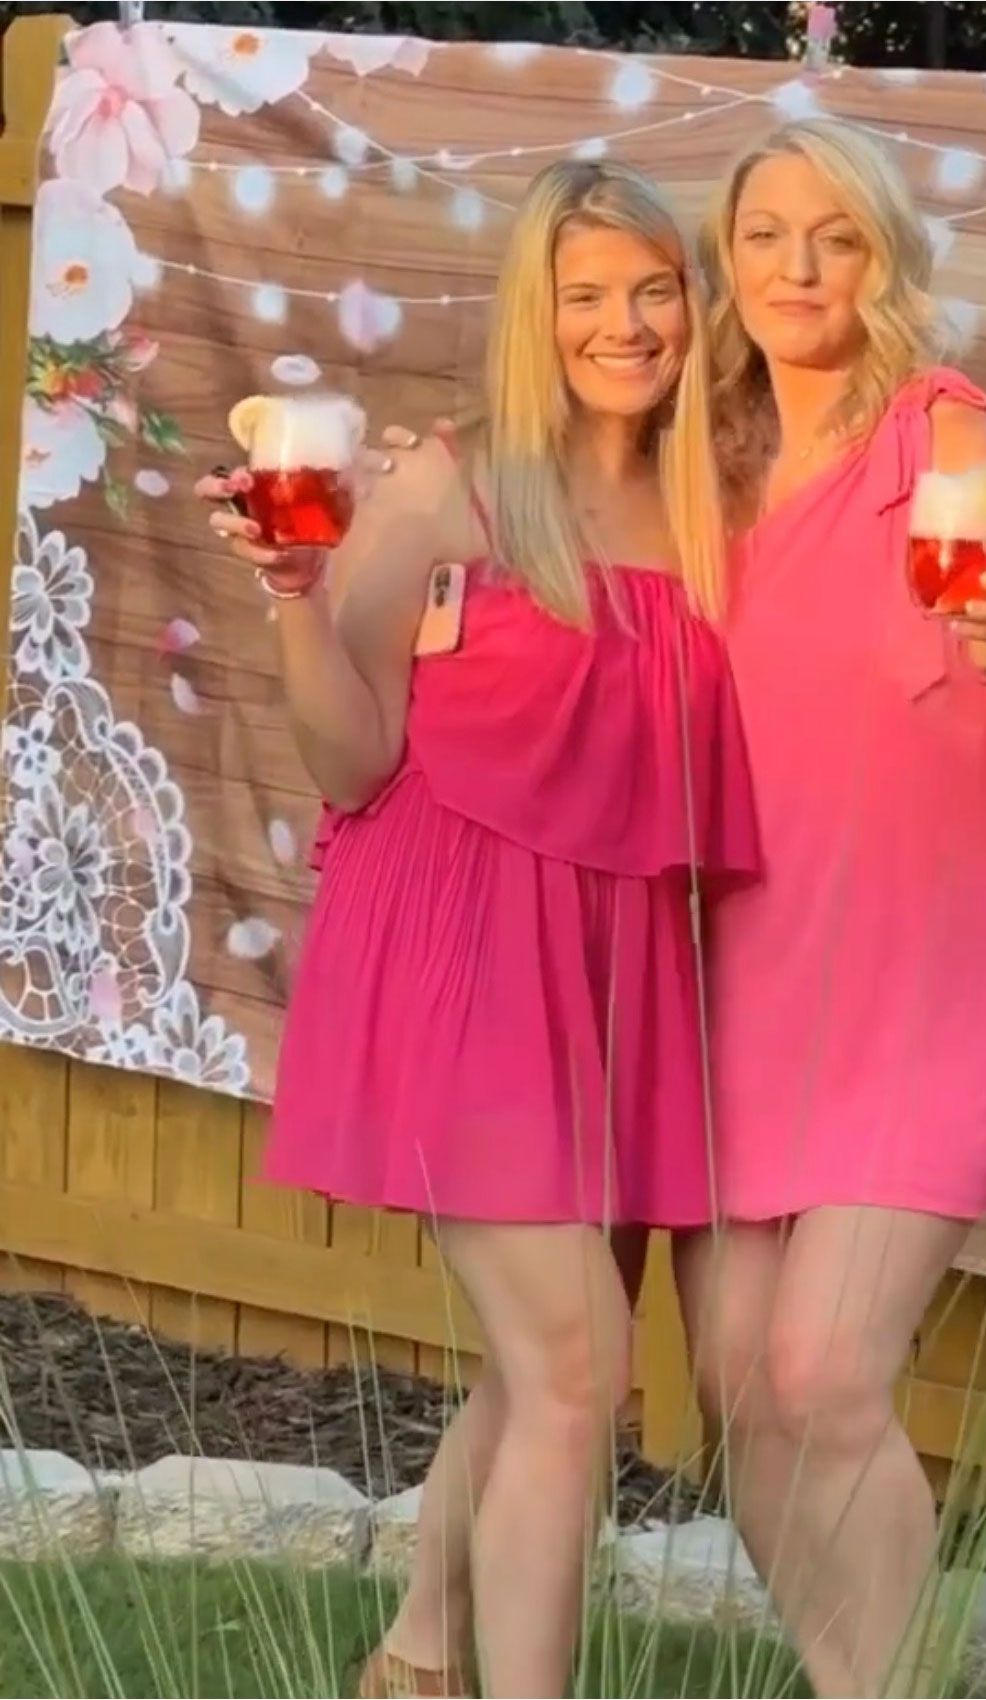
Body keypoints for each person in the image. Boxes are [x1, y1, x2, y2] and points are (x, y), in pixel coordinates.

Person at [196, 159, 757, 1699]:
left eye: (653, 287)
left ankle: (417, 1657)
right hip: (458, 944)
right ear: (536, 313)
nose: (625, 323)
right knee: (577, 1366)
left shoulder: (719, 499)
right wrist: (298, 595)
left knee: (550, 1366)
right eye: (585, 296)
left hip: (624, 961)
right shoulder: (459, 478)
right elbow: (351, 755)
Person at [671, 117, 986, 1699]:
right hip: (733, 978)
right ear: (725, 266)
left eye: (836, 239)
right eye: (764, 237)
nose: (798, 271)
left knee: (825, 1371)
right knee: (739, 1383)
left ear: (883, 261)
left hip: (922, 988)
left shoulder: (942, 439)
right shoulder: (690, 460)